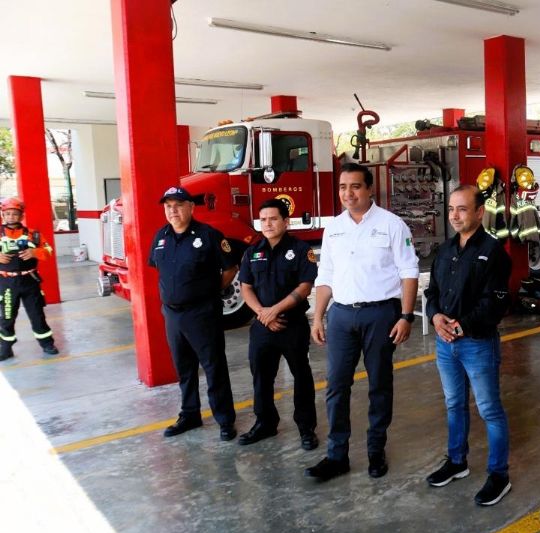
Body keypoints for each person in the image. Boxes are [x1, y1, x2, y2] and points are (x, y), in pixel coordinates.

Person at [306, 163, 419, 481]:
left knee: (380, 384)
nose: (348, 193)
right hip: (340, 315)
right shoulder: (333, 228)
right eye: (342, 187)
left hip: (380, 314)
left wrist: (406, 316)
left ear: (370, 189)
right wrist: (318, 316)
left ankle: (375, 451)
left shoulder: (392, 225)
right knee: (336, 386)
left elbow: (408, 272)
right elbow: (325, 275)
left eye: (355, 186)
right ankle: (336, 455)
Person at [424, 185, 513, 506]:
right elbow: (431, 292)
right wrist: (435, 318)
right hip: (446, 344)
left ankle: (498, 474)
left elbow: (497, 303)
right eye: (451, 209)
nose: (455, 215)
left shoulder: (493, 252)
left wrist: (462, 326)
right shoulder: (445, 250)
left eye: (462, 209)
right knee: (453, 404)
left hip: (476, 343)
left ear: (479, 212)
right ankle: (457, 462)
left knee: (489, 409)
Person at [149, 186, 238, 441]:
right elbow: (160, 270)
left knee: (213, 367)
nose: (173, 210)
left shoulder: (208, 235)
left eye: (178, 204)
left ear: (191, 207)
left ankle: (224, 419)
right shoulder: (160, 237)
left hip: (202, 313)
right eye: (168, 206)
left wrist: (210, 291)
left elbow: (230, 268)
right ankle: (190, 414)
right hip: (173, 316)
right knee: (184, 368)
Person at [237, 199, 319, 450]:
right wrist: (263, 313)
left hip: (291, 325)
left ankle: (306, 428)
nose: (268, 224)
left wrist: (275, 311)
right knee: (261, 377)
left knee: (301, 376)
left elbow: (305, 286)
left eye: (273, 219)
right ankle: (265, 423)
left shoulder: (301, 249)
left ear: (286, 221)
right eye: (263, 220)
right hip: (262, 325)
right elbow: (246, 286)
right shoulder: (253, 252)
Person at [0, 197, 58, 360]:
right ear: (3, 215)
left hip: (30, 281)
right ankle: (5, 347)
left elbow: (48, 251)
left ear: (21, 215)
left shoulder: (33, 234)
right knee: (6, 316)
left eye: (15, 214)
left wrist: (35, 252)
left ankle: (47, 343)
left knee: (37, 314)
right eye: (8, 213)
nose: (11, 217)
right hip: (7, 283)